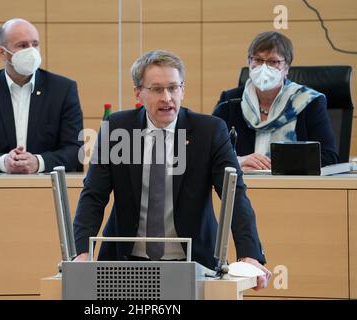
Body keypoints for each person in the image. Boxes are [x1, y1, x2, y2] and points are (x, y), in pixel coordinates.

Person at [73, 50, 271, 290]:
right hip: (124, 260)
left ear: (183, 90)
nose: (167, 97)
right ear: (138, 92)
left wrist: (250, 254)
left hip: (195, 263)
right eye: (156, 89)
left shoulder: (209, 131)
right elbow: (93, 195)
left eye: (173, 88)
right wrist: (82, 252)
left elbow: (235, 194)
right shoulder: (117, 128)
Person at [0, 18, 83, 173]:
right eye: (22, 45)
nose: (31, 51)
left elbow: (75, 151)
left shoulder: (63, 89)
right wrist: (3, 162)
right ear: (2, 53)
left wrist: (38, 162)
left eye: (35, 44)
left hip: (49, 187)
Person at [213, 31, 338, 172]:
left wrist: (278, 164)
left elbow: (329, 157)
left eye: (273, 61)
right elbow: (208, 153)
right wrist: (238, 161)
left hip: (294, 188)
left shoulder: (308, 102)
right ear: (249, 63)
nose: (264, 68)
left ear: (286, 68)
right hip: (242, 187)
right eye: (258, 60)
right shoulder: (230, 102)